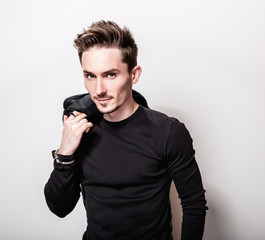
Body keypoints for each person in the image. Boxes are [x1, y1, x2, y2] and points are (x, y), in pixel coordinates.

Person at [44, 20, 207, 240]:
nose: (99, 90)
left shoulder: (168, 131)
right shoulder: (80, 128)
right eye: (90, 76)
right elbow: (59, 207)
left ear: (134, 74)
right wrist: (65, 152)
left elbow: (193, 204)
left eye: (110, 74)